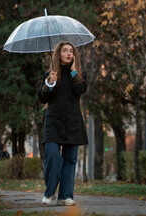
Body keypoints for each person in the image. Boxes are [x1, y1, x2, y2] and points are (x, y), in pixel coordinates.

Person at [38, 41, 88, 206]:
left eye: (71, 51)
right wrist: (50, 83)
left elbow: (81, 89)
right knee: (52, 156)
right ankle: (50, 192)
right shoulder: (50, 75)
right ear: (58, 54)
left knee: (70, 159)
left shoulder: (79, 75)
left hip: (73, 122)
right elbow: (42, 98)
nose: (69, 53)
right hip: (54, 122)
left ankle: (65, 195)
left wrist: (74, 73)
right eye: (65, 50)